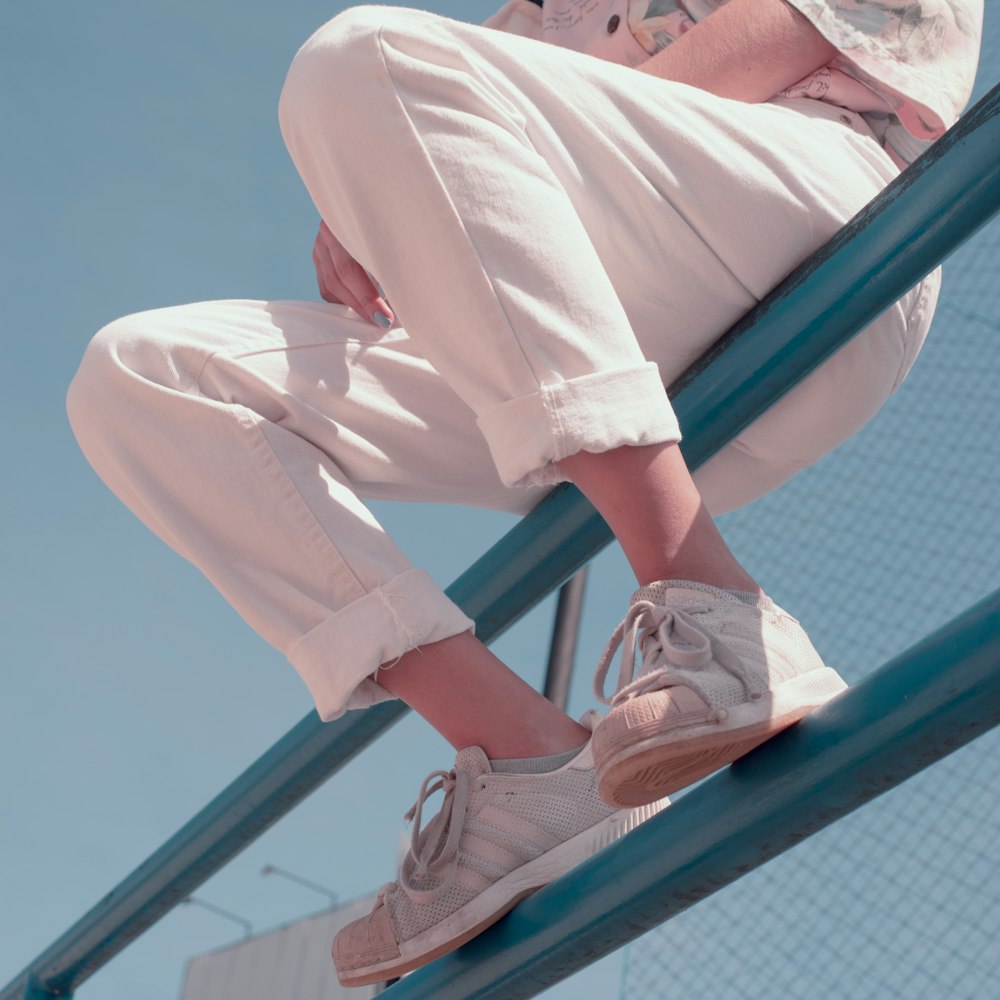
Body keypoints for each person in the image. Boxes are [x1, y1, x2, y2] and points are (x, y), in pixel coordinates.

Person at [66, 0, 982, 986]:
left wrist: (435, 125)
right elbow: (456, 137)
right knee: (141, 377)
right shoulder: (532, 16)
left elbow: (796, 28)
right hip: (606, 357)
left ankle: (713, 605)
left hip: (811, 229)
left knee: (357, 61)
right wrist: (389, 184)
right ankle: (529, 764)